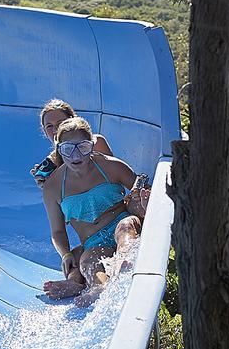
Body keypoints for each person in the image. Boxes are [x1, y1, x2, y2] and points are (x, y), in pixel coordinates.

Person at [41, 116, 150, 306]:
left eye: (82, 147)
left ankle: (124, 260)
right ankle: (97, 288)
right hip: (93, 242)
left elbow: (143, 190)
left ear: (91, 145)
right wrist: (66, 254)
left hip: (122, 221)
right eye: (68, 149)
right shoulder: (53, 187)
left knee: (125, 227)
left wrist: (142, 201)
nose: (76, 156)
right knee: (88, 262)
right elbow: (57, 232)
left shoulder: (110, 166)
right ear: (59, 149)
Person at [30, 99, 112, 186]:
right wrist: (48, 186)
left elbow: (114, 178)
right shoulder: (52, 165)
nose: (55, 130)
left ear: (73, 121)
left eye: (60, 123)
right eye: (49, 126)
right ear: (44, 131)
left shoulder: (96, 143)